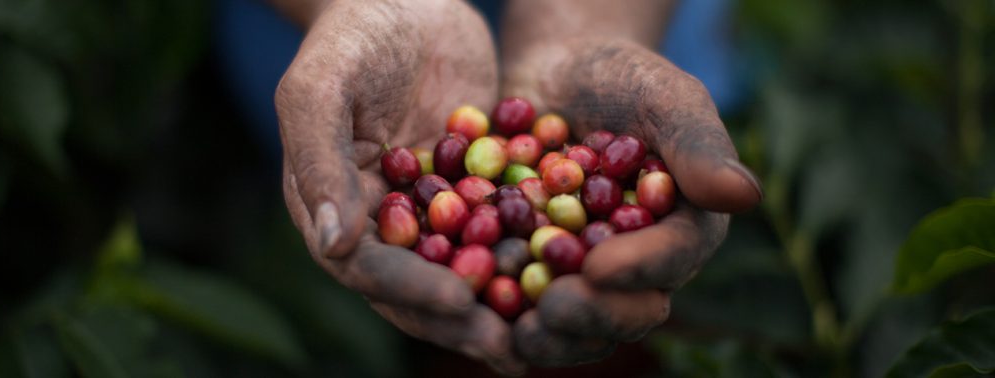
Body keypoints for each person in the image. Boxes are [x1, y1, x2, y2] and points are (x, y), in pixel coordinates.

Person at [269, 0, 762, 374]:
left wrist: (579, 25)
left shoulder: (517, 184)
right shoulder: (486, 185)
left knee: (643, 334)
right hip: (355, 101)